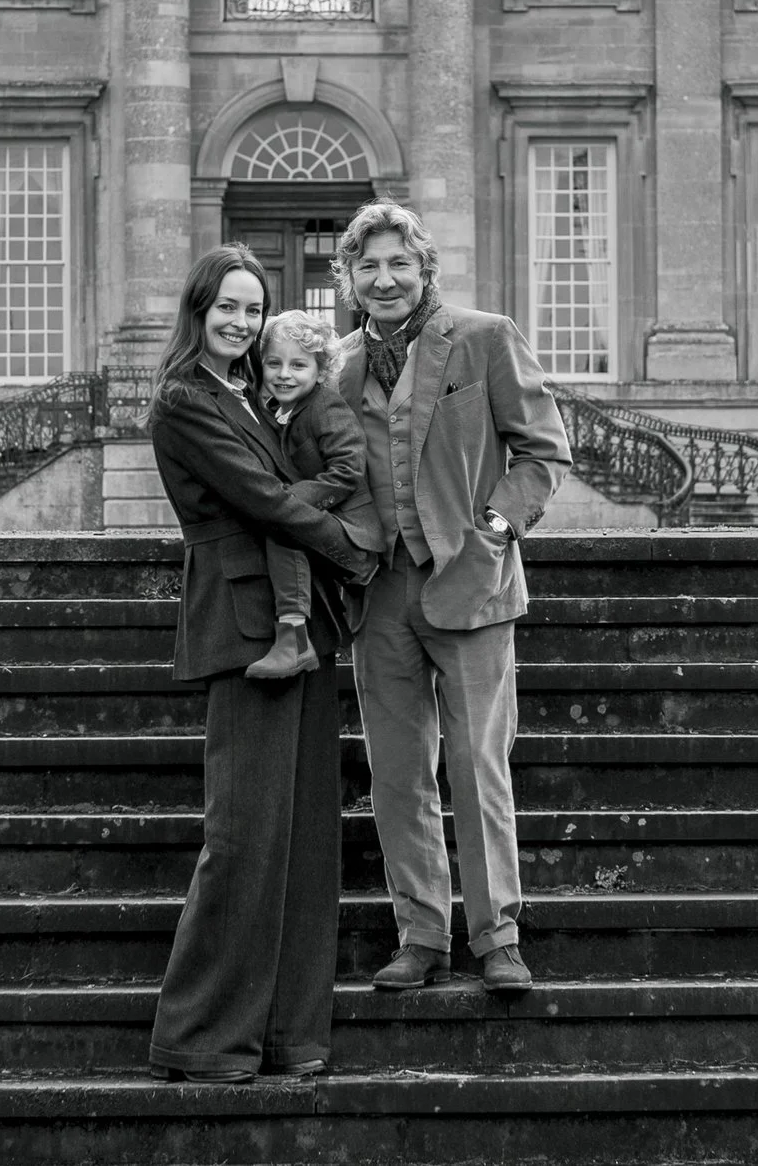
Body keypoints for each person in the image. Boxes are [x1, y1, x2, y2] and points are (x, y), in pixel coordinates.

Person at [143, 246, 382, 1083]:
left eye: (254, 309)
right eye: (227, 309)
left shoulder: (260, 392)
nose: (242, 323)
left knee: (306, 836)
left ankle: (290, 1036)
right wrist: (354, 551)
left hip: (299, 624)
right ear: (198, 311)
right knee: (244, 835)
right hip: (247, 626)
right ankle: (206, 1038)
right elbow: (265, 499)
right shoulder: (185, 400)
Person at [334, 200, 570, 997]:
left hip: (472, 581)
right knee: (398, 773)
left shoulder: (482, 336)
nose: (385, 277)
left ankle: (497, 935)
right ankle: (422, 935)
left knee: (476, 766)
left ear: (424, 268)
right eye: (368, 265)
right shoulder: (335, 366)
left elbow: (542, 450)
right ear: (350, 278)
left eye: (399, 262)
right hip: (379, 590)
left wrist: (498, 526)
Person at [250, 309, 381, 679]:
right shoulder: (277, 410)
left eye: (298, 365)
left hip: (356, 536)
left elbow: (348, 471)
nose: (284, 374)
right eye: (273, 363)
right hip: (328, 523)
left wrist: (291, 500)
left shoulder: (327, 407)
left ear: (320, 370)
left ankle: (294, 640)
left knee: (283, 520)